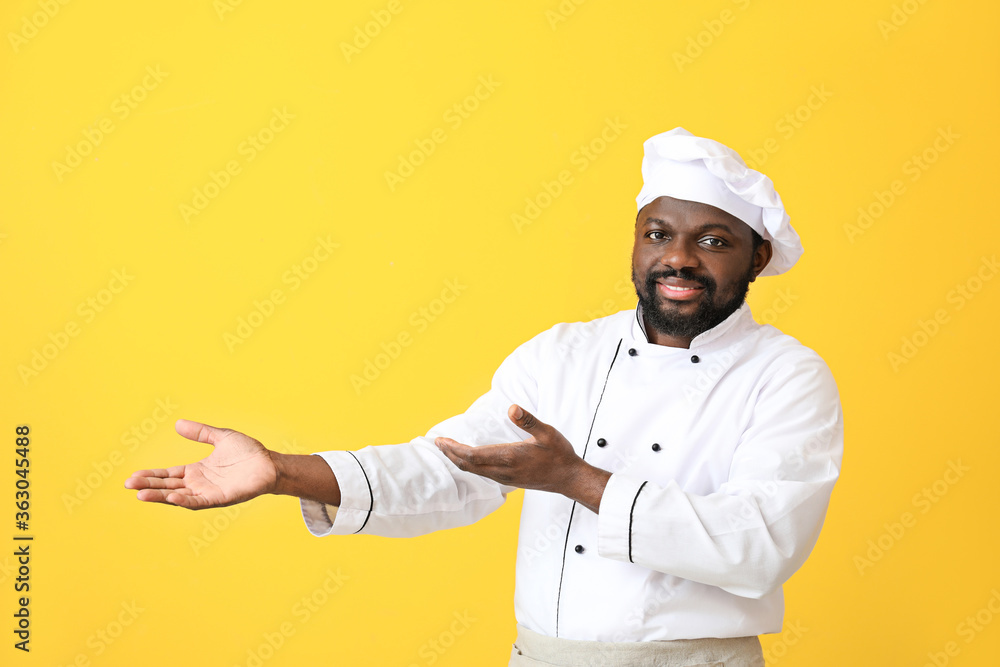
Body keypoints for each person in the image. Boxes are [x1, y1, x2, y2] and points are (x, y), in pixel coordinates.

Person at [126, 127, 843, 667]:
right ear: (636, 242)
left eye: (712, 240)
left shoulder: (786, 376)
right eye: (659, 233)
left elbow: (760, 544)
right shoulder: (562, 353)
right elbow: (449, 466)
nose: (678, 257)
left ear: (756, 257)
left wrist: (577, 480)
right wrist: (283, 471)